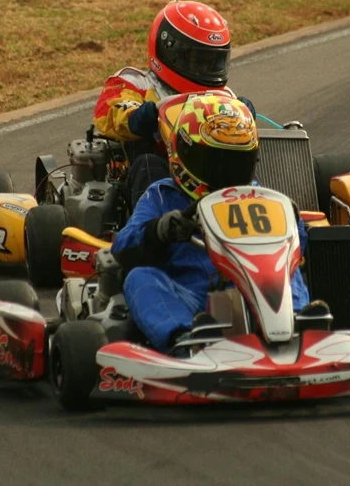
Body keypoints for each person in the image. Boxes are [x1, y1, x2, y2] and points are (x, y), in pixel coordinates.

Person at [111, 94, 326, 353]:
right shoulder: (162, 195)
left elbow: (297, 248)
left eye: (238, 162)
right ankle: (185, 340)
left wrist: (292, 223)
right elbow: (122, 247)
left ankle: (299, 322)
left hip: (254, 287)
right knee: (139, 278)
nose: (228, 173)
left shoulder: (258, 195)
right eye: (217, 162)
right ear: (185, 153)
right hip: (190, 295)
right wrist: (161, 231)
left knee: (285, 266)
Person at [92, 0, 255, 206]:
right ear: (168, 49)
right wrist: (146, 115)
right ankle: (151, 227)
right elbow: (108, 115)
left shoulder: (223, 97)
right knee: (148, 163)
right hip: (157, 173)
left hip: (212, 174)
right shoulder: (133, 83)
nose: (204, 67)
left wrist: (244, 114)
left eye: (213, 60)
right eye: (197, 58)